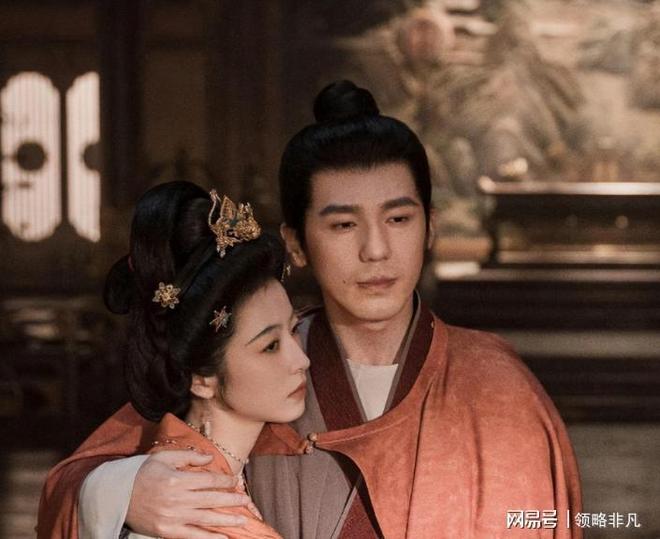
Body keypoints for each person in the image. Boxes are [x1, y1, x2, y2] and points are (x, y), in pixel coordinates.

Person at [38, 81, 582, 538]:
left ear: (431, 227)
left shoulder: (496, 384)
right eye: (343, 224)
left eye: (398, 219)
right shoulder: (250, 366)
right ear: (296, 243)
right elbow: (75, 481)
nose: (376, 250)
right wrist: (122, 491)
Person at [39, 181, 310, 538]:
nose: (302, 359)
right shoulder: (180, 510)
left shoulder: (212, 480)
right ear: (201, 378)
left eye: (293, 330)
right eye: (270, 346)